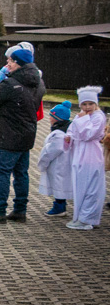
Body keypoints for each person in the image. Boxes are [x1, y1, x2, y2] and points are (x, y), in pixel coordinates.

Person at [0, 48, 45, 223]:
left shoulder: (11, 84)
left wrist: (4, 84)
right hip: (27, 135)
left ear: (19, 63)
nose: (7, 64)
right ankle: (20, 210)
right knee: (22, 174)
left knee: (2, 174)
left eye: (11, 61)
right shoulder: (39, 83)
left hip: (7, 136)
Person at [63, 86, 106, 230]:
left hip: (91, 153)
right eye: (84, 104)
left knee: (91, 186)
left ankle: (87, 218)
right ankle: (81, 215)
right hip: (79, 153)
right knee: (81, 185)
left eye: (90, 104)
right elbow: (73, 129)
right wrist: (69, 137)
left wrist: (83, 120)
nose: (87, 107)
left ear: (96, 104)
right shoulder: (81, 115)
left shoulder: (98, 117)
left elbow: (89, 134)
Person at [37, 101, 73, 217]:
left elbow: (51, 151)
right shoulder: (66, 130)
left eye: (51, 116)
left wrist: (43, 163)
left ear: (57, 118)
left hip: (59, 165)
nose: (50, 119)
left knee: (59, 186)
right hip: (63, 163)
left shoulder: (58, 134)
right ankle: (60, 205)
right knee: (61, 185)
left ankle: (59, 207)